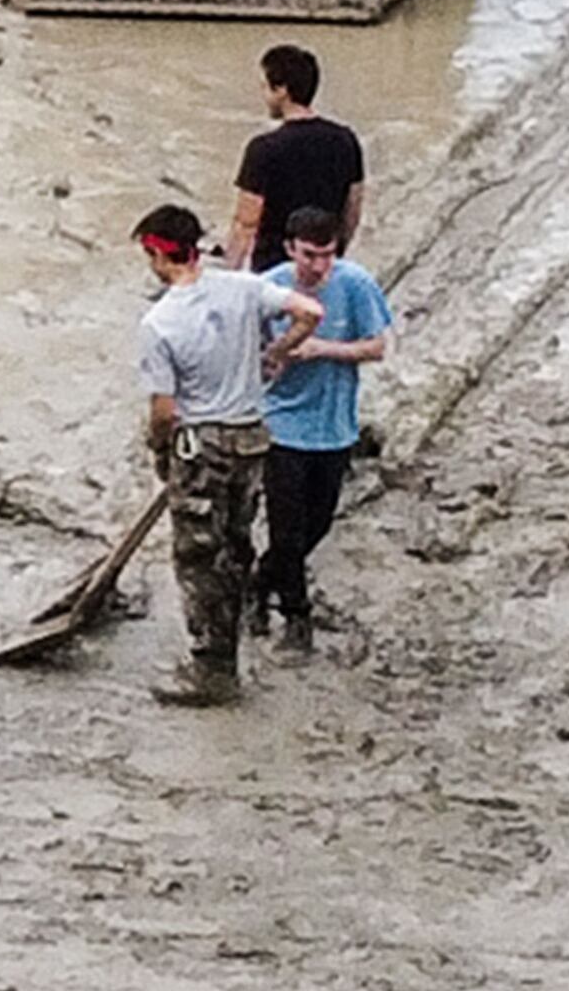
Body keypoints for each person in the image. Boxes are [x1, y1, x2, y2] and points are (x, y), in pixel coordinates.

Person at [131, 202, 324, 706]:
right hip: (251, 438)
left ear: (157, 253)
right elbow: (310, 312)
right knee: (236, 545)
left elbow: (164, 410)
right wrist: (277, 353)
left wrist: (159, 452)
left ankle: (212, 671)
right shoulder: (242, 287)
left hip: (201, 446)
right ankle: (232, 643)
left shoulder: (160, 322)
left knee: (198, 557)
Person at [260, 206, 392, 647]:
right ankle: (297, 616)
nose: (319, 266)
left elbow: (377, 347)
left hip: (334, 425)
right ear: (289, 249)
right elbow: (249, 353)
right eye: (310, 255)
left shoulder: (355, 284)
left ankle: (259, 582)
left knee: (319, 522)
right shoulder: (270, 288)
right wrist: (269, 362)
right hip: (279, 424)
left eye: (328, 255)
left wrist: (323, 349)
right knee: (287, 526)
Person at [225, 43, 366, 272]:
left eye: (265, 87)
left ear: (281, 90)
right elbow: (352, 211)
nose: (263, 96)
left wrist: (228, 275)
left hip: (274, 270)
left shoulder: (263, 149)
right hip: (323, 269)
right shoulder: (346, 140)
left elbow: (245, 224)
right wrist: (333, 253)